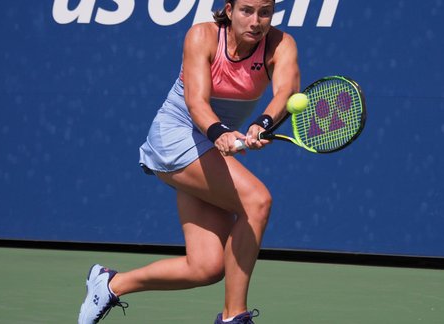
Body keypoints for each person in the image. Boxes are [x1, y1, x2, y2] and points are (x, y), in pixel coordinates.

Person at [78, 0, 300, 323]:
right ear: (229, 8)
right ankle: (233, 317)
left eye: (264, 12)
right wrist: (220, 133)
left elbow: (285, 92)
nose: (256, 21)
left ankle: (110, 284)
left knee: (206, 267)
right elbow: (196, 103)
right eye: (247, 11)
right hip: (175, 135)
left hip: (208, 146)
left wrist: (262, 124)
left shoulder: (281, 45)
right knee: (258, 201)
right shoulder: (202, 37)